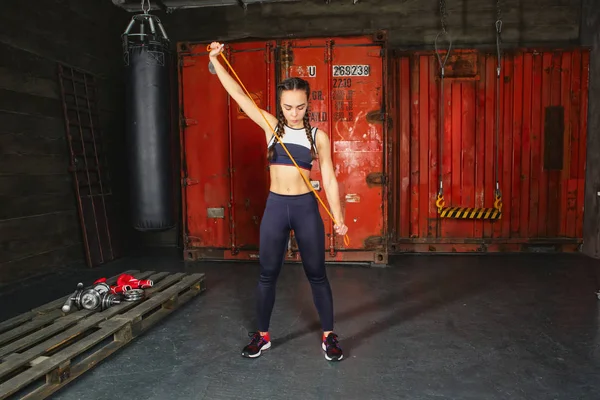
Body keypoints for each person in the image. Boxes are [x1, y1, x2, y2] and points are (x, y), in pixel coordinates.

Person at [208, 42, 348, 362]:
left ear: (308, 103)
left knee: (317, 273)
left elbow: (329, 177)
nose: (294, 113)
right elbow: (239, 96)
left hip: (305, 210)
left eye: (299, 107)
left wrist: (338, 217)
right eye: (287, 107)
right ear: (280, 105)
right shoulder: (272, 127)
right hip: (276, 208)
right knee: (267, 274)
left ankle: (329, 336)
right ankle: (263, 335)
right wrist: (216, 60)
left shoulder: (317, 136)